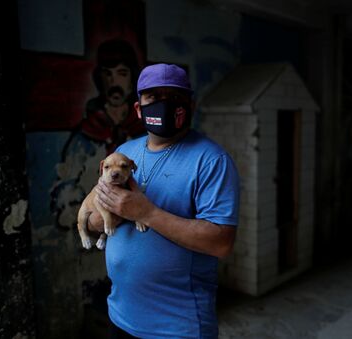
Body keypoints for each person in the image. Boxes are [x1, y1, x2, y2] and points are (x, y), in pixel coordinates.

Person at [90, 63, 240, 338]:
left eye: (173, 97)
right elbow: (93, 218)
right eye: (153, 98)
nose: (163, 104)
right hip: (119, 316)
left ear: (190, 106)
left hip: (178, 327)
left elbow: (221, 243)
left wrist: (146, 213)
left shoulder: (211, 161)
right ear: (139, 108)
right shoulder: (123, 153)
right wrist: (100, 218)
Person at [50, 39, 145, 230]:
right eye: (107, 74)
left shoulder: (144, 136)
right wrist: (93, 219)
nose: (114, 82)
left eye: (122, 73)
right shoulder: (84, 137)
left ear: (132, 78)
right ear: (99, 79)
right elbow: (64, 196)